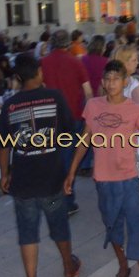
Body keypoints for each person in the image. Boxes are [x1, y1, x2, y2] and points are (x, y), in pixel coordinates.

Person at [64, 60, 139, 277]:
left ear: (125, 81)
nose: (111, 84)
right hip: (103, 180)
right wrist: (71, 173)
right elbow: (84, 141)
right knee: (113, 227)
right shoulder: (93, 106)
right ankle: (123, 268)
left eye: (116, 79)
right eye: (107, 79)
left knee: (136, 229)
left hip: (128, 179)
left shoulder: (136, 110)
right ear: (102, 81)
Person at [0, 54, 80, 277]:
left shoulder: (10, 105)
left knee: (27, 233)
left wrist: (4, 174)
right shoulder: (54, 97)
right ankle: (68, 266)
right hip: (51, 181)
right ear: (39, 72)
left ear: (18, 78)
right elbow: (70, 134)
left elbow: (2, 144)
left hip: (23, 184)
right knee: (59, 226)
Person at [42, 29, 93, 214]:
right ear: (69, 43)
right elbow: (88, 92)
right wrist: (89, 114)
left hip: (49, 116)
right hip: (73, 116)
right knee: (68, 159)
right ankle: (67, 201)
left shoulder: (43, 63)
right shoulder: (75, 62)